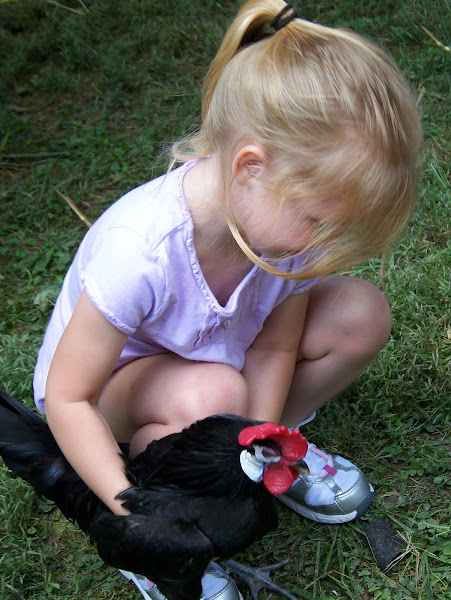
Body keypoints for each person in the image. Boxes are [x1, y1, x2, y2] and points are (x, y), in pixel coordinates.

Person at [32, 1, 422, 598]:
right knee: (214, 392)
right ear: (250, 168)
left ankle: (259, 459)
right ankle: (176, 506)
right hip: (114, 387)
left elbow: (276, 344)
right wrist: (138, 517)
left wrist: (257, 440)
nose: (324, 246)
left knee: (358, 315)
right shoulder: (140, 250)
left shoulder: (279, 228)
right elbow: (67, 396)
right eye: (319, 221)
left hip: (221, 351)